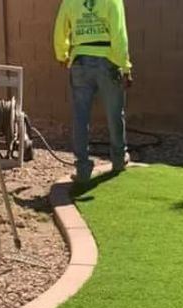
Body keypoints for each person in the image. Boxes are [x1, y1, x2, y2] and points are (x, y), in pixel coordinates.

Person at [54, 0, 132, 183]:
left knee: (81, 117)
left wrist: (62, 54)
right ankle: (119, 160)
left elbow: (60, 28)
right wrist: (126, 67)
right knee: (114, 113)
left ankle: (82, 170)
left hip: (80, 62)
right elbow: (119, 35)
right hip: (108, 61)